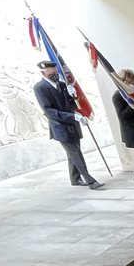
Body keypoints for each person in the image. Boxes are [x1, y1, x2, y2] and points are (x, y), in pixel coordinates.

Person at [33, 61, 102, 190]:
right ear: (43, 72)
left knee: (72, 153)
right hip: (60, 126)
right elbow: (49, 111)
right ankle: (90, 181)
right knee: (76, 153)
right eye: (52, 72)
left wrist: (73, 96)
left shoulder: (62, 85)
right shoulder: (40, 88)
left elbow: (71, 105)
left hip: (72, 124)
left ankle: (75, 178)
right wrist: (72, 116)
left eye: (55, 71)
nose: (55, 74)